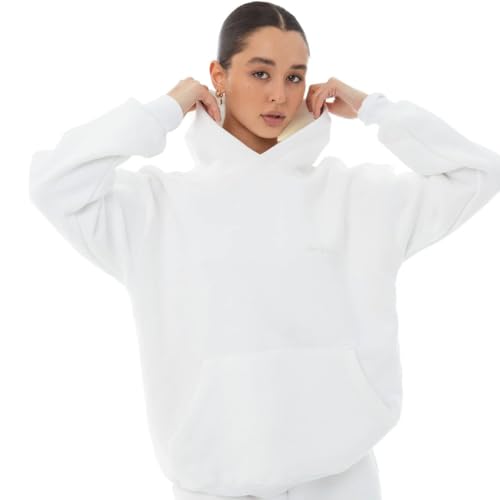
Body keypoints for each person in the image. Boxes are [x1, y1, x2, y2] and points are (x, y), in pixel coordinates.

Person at [28, 2, 500, 499]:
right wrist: (164, 109)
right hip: (214, 486)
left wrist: (373, 108)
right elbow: (54, 183)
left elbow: (477, 174)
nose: (280, 94)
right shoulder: (158, 207)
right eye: (260, 72)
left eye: (295, 76)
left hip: (342, 483)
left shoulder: (357, 197)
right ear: (219, 76)